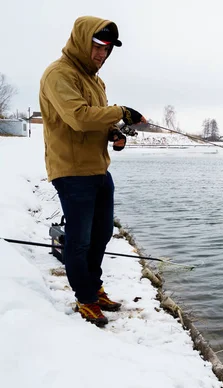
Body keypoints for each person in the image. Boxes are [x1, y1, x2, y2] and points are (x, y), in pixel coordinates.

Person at [39, 16, 146, 327]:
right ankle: (85, 299)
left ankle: (93, 288)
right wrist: (123, 112)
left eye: (108, 49)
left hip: (98, 169)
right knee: (79, 240)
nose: (102, 54)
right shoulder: (58, 74)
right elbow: (80, 117)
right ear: (81, 42)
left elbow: (98, 120)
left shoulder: (96, 81)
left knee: (101, 234)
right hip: (72, 171)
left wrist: (114, 131)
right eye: (98, 46)